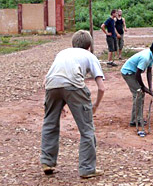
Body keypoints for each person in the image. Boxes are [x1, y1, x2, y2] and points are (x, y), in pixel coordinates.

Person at [40, 30, 105, 178]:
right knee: (86, 129)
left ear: (73, 44)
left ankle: (47, 162)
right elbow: (101, 87)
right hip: (74, 86)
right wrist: (95, 105)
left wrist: (59, 103)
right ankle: (87, 169)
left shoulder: (62, 53)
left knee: (50, 123)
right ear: (89, 45)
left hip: (51, 86)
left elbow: (47, 80)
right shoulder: (90, 56)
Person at [121, 41, 153, 127]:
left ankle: (137, 118)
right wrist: (143, 87)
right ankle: (135, 120)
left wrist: (150, 88)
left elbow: (149, 72)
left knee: (140, 94)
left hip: (133, 73)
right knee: (138, 94)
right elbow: (138, 74)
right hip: (128, 73)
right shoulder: (145, 57)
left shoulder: (151, 56)